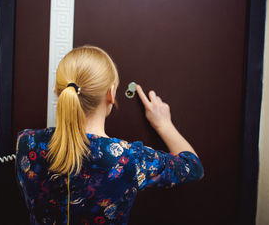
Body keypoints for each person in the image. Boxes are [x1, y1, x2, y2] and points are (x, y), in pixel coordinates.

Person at [15, 45, 204, 225]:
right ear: (111, 94)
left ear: (58, 91)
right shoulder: (130, 159)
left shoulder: (26, 142)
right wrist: (164, 124)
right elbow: (192, 166)